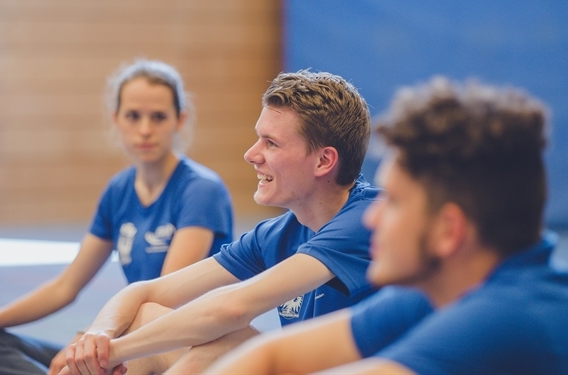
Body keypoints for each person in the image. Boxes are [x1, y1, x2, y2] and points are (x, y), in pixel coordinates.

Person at [205, 76, 568, 375]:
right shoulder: (438, 290)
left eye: (396, 203)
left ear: (448, 231)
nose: (372, 216)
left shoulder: (505, 319)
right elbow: (271, 357)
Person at [57, 69, 379, 375]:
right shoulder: (277, 234)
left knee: (222, 341)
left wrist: (112, 352)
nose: (251, 154)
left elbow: (233, 308)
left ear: (324, 161)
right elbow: (146, 292)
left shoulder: (368, 219)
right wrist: (97, 336)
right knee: (145, 317)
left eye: (271, 143)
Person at [0, 59, 234, 375]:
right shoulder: (119, 191)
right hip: (125, 335)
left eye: (158, 117)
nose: (145, 129)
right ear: (116, 120)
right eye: (133, 116)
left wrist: (93, 335)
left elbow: (161, 301)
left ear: (179, 120)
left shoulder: (200, 190)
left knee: (93, 356)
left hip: (178, 346)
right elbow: (65, 286)